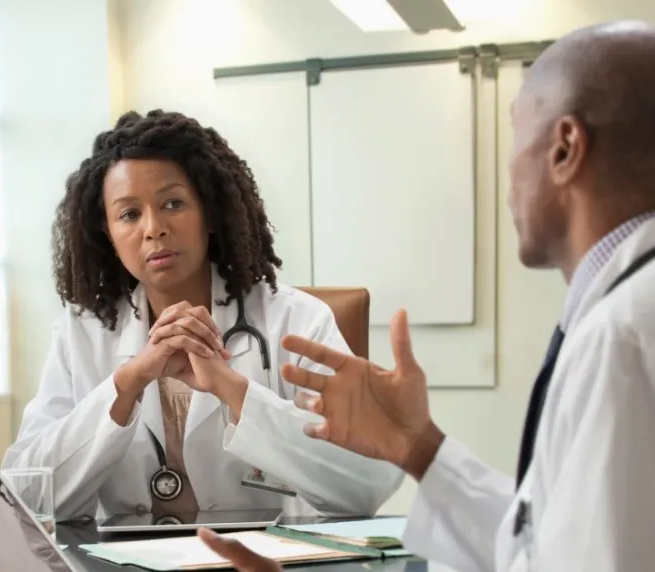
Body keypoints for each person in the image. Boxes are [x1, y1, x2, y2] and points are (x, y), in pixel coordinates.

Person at [196, 20, 655, 572]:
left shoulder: (623, 336)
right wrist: (419, 447)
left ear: (564, 148)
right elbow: (546, 542)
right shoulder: (625, 311)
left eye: (515, 136)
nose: (510, 170)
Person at [3, 110, 403, 521]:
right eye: (129, 214)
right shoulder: (82, 332)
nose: (153, 228)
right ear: (108, 234)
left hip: (255, 553)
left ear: (210, 212)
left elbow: (366, 484)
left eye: (173, 204)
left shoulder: (296, 321)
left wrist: (233, 389)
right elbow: (27, 497)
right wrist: (126, 385)